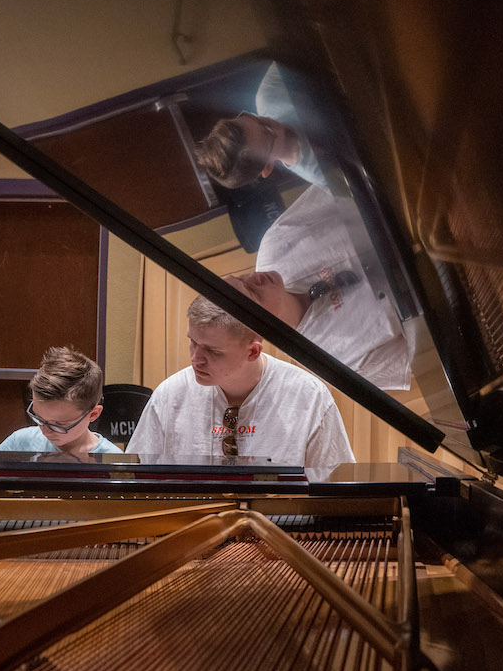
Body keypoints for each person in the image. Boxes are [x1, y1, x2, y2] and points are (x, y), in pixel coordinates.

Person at [126, 295, 355, 468]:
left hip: (282, 529)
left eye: (213, 352)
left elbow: (334, 489)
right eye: (193, 342)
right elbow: (134, 481)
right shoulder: (169, 395)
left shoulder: (309, 396)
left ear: (253, 352)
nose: (195, 359)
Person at [226, 186, 412, 391]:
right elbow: (421, 357)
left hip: (406, 202)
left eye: (242, 277)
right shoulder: (331, 361)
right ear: (258, 333)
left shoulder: (274, 245)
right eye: (253, 292)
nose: (255, 276)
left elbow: (336, 185)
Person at [195, 63, 327, 190]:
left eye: (256, 119)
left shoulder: (269, 95)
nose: (270, 122)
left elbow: (294, 48)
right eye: (268, 135)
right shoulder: (319, 172)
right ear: (267, 168)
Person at [0, 346, 121, 455]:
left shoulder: (111, 460)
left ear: (93, 414)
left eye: (59, 425)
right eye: (39, 418)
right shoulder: (20, 443)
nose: (46, 432)